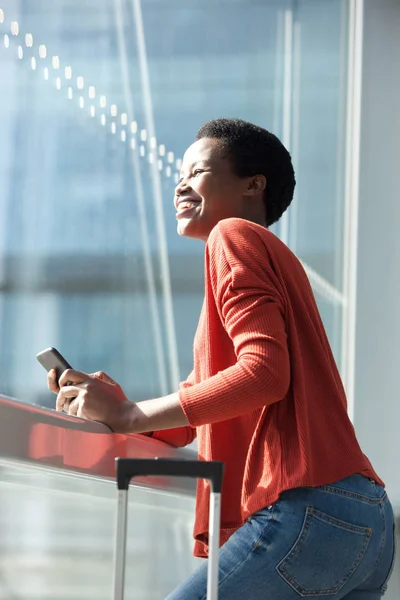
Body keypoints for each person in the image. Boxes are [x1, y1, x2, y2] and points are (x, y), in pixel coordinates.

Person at [48, 118, 395, 599]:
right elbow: (198, 415)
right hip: (367, 522)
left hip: (308, 509)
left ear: (253, 186)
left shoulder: (233, 236)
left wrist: (128, 414)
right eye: (178, 174)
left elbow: (263, 375)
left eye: (197, 171)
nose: (180, 184)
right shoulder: (271, 261)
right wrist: (116, 406)